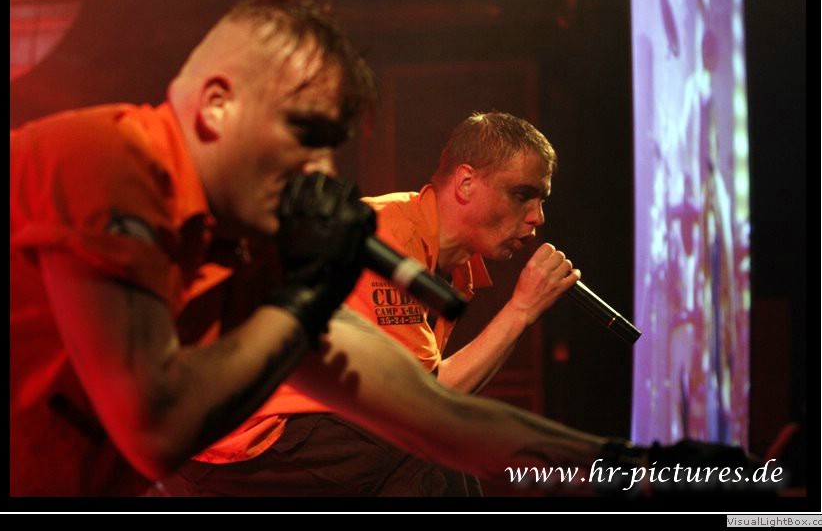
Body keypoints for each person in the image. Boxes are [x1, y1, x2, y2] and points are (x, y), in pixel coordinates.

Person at [9, 0, 630, 498]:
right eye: (306, 137)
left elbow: (426, 406)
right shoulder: (112, 161)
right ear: (218, 105)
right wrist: (306, 294)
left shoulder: (240, 242)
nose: (323, 173)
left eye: (331, 147)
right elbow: (154, 427)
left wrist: (628, 466)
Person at [152, 112, 584, 497]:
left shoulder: (453, 267)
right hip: (242, 438)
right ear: (466, 183)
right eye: (522, 195)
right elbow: (427, 404)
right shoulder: (388, 236)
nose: (537, 217)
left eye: (542, 200)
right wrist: (521, 310)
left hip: (292, 437)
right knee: (428, 450)